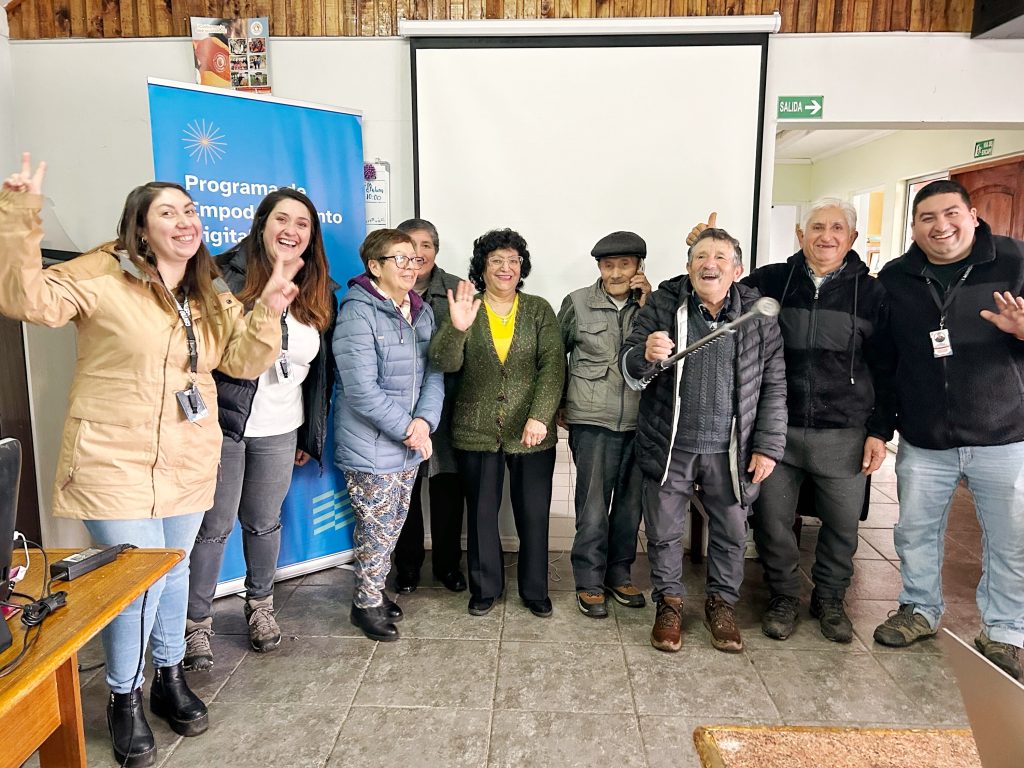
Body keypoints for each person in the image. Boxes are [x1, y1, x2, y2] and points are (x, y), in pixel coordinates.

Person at [0, 154, 299, 768]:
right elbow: (26, 300)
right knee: (131, 588)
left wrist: (267, 306)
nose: (185, 221)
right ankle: (123, 698)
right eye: (168, 212)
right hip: (113, 457)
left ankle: (167, 677)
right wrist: (20, 213)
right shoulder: (102, 274)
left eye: (190, 211)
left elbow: (240, 361)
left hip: (188, 457)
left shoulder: (209, 289)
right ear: (140, 228)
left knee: (172, 576)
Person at [687, 202, 895, 644]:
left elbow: (889, 368)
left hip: (844, 431)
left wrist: (880, 430)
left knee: (841, 525)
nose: (826, 236)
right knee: (772, 521)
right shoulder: (771, 280)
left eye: (837, 228)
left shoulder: (873, 294)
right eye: (817, 227)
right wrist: (702, 253)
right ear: (800, 233)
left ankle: (830, 599)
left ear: (852, 238)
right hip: (776, 428)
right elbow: (712, 292)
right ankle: (783, 596)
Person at [872, 180, 1024, 681]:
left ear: (973, 214)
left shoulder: (1014, 262)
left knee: (1012, 539)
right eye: (927, 219)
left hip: (1004, 434)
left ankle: (1004, 632)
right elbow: (885, 361)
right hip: (925, 437)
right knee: (915, 532)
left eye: (951, 214)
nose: (941, 227)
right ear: (914, 227)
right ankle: (919, 609)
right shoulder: (897, 277)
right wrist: (883, 425)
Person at [184, 189, 337, 671]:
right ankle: (196, 627)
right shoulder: (221, 274)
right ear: (261, 224)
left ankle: (260, 607)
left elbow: (320, 374)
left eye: (303, 224)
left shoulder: (319, 287)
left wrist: (307, 436)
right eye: (282, 219)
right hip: (226, 424)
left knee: (264, 522)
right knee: (213, 528)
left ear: (312, 236)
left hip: (280, 427)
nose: (291, 230)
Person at [621, 227, 787, 653]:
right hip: (671, 444)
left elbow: (774, 384)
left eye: (719, 257)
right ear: (688, 265)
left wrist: (768, 445)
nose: (708, 264)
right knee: (662, 531)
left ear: (737, 268)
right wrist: (645, 354)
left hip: (732, 449)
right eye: (699, 257)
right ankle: (670, 603)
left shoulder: (758, 314)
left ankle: (722, 604)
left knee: (732, 531)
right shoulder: (664, 302)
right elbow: (630, 365)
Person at [429, 229, 565, 618]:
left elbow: (553, 366)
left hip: (532, 433)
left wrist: (540, 416)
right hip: (476, 431)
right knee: (482, 514)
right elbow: (443, 362)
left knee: (533, 514)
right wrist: (456, 328)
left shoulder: (539, 309)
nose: (506, 268)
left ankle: (535, 589)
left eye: (513, 261)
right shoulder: (466, 306)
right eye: (496, 261)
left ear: (521, 267)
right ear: (482, 268)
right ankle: (485, 588)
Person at [333, 228, 444, 642]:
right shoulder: (357, 312)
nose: (410, 266)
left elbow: (434, 371)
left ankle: (373, 593)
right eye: (399, 258)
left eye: (414, 259)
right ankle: (365, 605)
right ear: (374, 266)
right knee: (377, 529)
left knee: (393, 525)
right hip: (372, 443)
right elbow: (360, 389)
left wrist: (424, 422)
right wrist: (408, 429)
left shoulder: (421, 311)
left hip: (410, 441)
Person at [557, 231, 652, 618]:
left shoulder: (655, 305)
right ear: (599, 267)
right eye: (608, 265)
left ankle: (619, 574)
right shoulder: (577, 303)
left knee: (630, 508)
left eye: (624, 265)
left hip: (641, 422)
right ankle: (589, 580)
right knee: (593, 507)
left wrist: (649, 305)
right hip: (592, 420)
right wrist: (559, 405)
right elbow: (554, 354)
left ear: (638, 268)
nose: (616, 273)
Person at [391, 218, 468, 595]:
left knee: (447, 493)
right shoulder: (383, 287)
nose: (418, 254)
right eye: (410, 246)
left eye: (427, 246)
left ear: (436, 251)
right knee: (404, 493)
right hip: (399, 409)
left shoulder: (456, 288)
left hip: (449, 408)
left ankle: (448, 566)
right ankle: (406, 568)